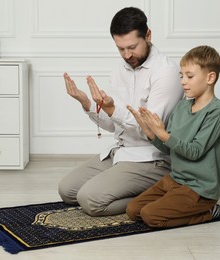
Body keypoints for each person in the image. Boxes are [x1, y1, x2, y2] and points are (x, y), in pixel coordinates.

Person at [59, 7, 183, 216]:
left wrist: (113, 109)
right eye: (120, 49)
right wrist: (88, 104)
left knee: (90, 200)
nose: (127, 55)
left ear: (148, 35)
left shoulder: (166, 72)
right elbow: (115, 125)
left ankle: (159, 193)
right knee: (68, 191)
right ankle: (132, 188)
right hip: (121, 151)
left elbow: (150, 132)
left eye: (132, 47)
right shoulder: (119, 70)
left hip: (152, 159)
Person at [126, 45, 220, 228]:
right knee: (133, 210)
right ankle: (180, 204)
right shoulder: (182, 107)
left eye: (189, 76)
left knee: (151, 216)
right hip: (175, 179)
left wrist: (163, 133)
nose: (183, 81)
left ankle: (209, 212)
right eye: (181, 76)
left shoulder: (217, 113)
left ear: (210, 78)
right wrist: (151, 133)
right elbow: (170, 148)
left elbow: (194, 152)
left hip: (199, 188)